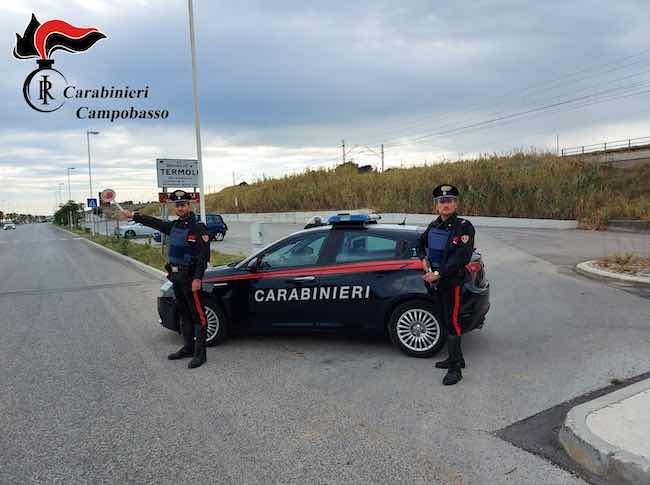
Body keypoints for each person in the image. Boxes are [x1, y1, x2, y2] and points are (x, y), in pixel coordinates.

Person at [121, 190, 211, 369]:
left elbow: (203, 256)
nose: (180, 208)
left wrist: (197, 279)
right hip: (176, 277)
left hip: (190, 278)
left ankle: (201, 355)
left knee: (198, 317)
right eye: (177, 205)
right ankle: (188, 347)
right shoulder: (174, 226)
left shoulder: (198, 228)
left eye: (183, 205)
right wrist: (134, 216)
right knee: (184, 315)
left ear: (189, 206)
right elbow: (155, 223)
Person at [417, 184, 475, 385]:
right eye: (442, 201)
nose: (445, 204)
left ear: (456, 203)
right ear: (436, 205)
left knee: (453, 324)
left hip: (452, 283)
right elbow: (420, 243)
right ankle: (454, 357)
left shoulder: (463, 226)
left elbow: (462, 256)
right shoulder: (434, 225)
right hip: (437, 283)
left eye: (449, 200)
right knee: (444, 320)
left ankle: (455, 369)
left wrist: (438, 273)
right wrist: (422, 259)